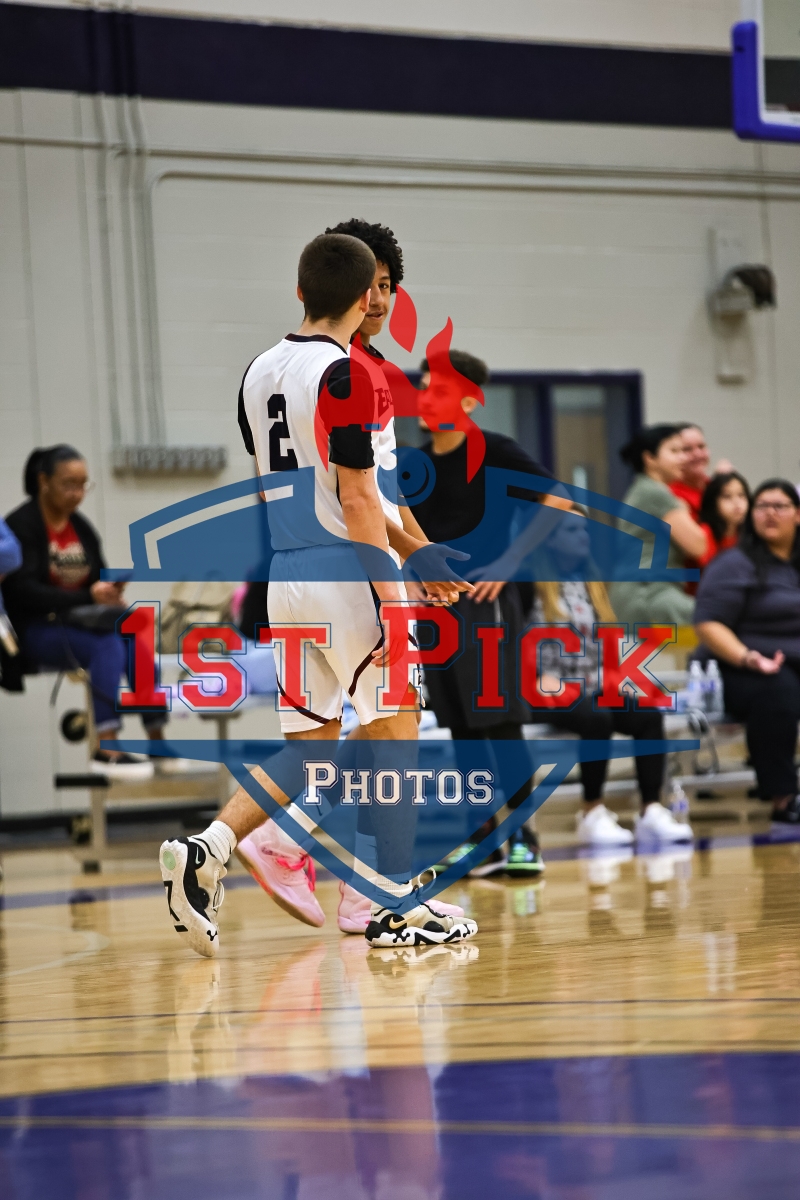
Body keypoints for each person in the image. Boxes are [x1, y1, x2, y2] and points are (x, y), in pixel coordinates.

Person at [159, 232, 478, 954]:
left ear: (300, 291)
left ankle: (207, 848)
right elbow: (359, 497)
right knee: (396, 735)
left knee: (311, 751)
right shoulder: (349, 374)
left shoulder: (258, 370)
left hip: (287, 573)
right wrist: (392, 596)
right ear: (367, 297)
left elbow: (275, 485)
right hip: (348, 574)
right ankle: (393, 904)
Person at [410, 348, 564, 879]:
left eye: (439, 390)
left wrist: (511, 560)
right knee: (460, 728)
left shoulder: (494, 451)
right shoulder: (415, 463)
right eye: (423, 387)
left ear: (470, 401)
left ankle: (524, 839)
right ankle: (481, 840)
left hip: (487, 604)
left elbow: (559, 499)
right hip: (436, 610)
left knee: (500, 725)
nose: (426, 397)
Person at [1, 445, 168, 780]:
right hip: (36, 629)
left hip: (80, 622)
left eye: (83, 485)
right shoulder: (21, 525)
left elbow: (96, 577)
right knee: (106, 645)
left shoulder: (81, 527)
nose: (77, 493)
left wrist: (108, 593)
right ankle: (107, 748)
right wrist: (86, 595)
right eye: (69, 484)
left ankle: (156, 739)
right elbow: (21, 592)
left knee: (135, 636)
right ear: (44, 481)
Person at [530, 504, 691, 845]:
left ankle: (651, 810)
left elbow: (607, 645)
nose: (583, 537)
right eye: (572, 530)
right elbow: (516, 643)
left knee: (647, 716)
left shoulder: (591, 584)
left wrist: (615, 679)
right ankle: (591, 811)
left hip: (590, 686)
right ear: (550, 539)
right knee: (596, 717)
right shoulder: (531, 585)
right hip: (541, 688)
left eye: (585, 529)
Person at [695, 478, 800, 825]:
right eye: (762, 506)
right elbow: (708, 623)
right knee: (779, 690)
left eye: (780, 506)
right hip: (739, 667)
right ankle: (784, 798)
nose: (770, 513)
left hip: (793, 662)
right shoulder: (734, 563)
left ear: (797, 515)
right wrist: (748, 657)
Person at [609, 424, 707, 626]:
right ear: (650, 458)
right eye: (674, 451)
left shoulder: (643, 489)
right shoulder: (656, 493)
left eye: (683, 451)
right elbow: (698, 546)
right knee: (715, 620)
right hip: (649, 592)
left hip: (638, 591)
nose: (683, 458)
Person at [670, 423, 733, 521]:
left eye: (701, 446)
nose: (698, 454)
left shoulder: (714, 486)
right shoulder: (669, 494)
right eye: (687, 449)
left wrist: (727, 485)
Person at [697, 471, 751, 567]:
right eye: (727, 496)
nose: (737, 502)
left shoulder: (751, 534)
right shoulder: (704, 533)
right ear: (713, 502)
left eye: (741, 495)